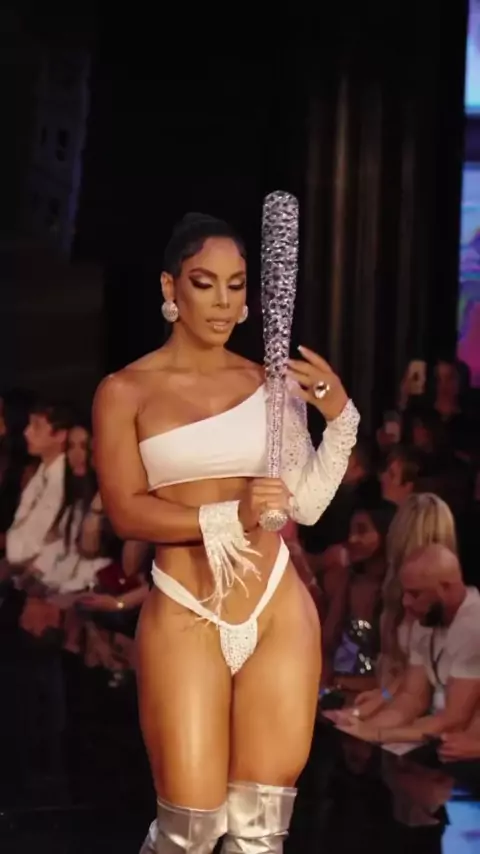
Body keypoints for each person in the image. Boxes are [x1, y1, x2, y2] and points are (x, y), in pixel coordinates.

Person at [93, 213, 360, 853]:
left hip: (276, 609)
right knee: (189, 830)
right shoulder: (126, 391)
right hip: (185, 608)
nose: (222, 301)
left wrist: (340, 417)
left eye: (236, 286)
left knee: (258, 836)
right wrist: (227, 515)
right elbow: (126, 512)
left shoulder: (269, 385)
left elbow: (305, 506)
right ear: (171, 287)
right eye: (204, 282)